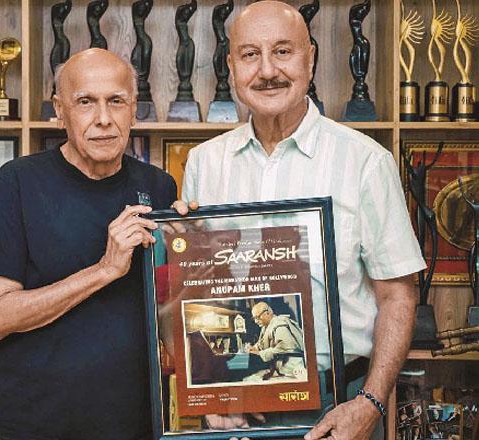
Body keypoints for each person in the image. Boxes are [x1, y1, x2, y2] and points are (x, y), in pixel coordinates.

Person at [174, 2, 426, 439]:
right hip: (237, 398)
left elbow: (397, 296)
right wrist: (210, 389)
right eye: (250, 54)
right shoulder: (203, 163)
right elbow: (198, 292)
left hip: (342, 400)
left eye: (283, 51)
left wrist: (370, 403)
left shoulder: (365, 161)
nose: (267, 70)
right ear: (232, 67)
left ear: (310, 58)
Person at [0, 48, 177, 440]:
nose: (104, 119)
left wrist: (197, 242)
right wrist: (104, 270)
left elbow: (168, 307)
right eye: (85, 102)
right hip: (38, 425)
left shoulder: (158, 186)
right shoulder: (17, 184)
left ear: (134, 110)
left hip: (136, 425)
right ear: (60, 110)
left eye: (116, 101)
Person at [249, 302, 305, 380]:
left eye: (257, 317)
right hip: (281, 369)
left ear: (267, 313)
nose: (256, 321)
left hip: (292, 369)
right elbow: (261, 344)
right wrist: (252, 348)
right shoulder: (266, 327)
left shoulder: (279, 324)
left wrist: (260, 353)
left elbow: (284, 346)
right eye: (254, 318)